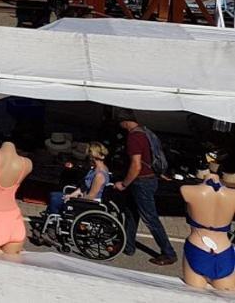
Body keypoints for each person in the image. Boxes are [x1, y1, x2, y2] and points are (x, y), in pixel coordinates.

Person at [114, 109, 176, 265]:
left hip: (141, 182)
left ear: (124, 122)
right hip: (150, 179)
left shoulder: (134, 138)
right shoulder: (146, 133)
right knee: (131, 212)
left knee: (150, 218)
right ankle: (128, 246)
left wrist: (124, 183)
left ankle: (168, 253)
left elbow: (136, 165)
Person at [180, 155, 235, 290]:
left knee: (193, 296)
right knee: (226, 297)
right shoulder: (232, 195)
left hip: (197, 248)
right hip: (224, 251)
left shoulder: (188, 190)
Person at [47, 142, 111, 214]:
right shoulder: (93, 169)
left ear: (92, 157)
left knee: (55, 199)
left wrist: (74, 199)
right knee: (53, 194)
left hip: (89, 203)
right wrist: (71, 195)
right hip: (83, 198)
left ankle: (53, 219)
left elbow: (91, 196)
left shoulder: (99, 175)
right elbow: (83, 187)